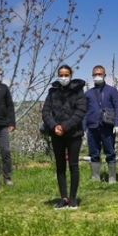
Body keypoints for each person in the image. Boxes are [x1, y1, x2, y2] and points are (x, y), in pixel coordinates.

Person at [42, 65, 87, 210]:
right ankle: (63, 198)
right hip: (56, 134)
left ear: (71, 75)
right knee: (60, 166)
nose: (63, 77)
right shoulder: (52, 92)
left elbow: (80, 112)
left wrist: (65, 126)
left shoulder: (78, 91)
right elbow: (46, 112)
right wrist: (55, 126)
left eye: (66, 75)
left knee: (73, 166)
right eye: (61, 75)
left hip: (74, 134)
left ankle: (73, 198)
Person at [83, 65, 118, 184]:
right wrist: (82, 128)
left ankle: (111, 177)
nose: (97, 76)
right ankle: (95, 176)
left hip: (107, 127)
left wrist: (117, 124)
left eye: (99, 74)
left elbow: (117, 107)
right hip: (92, 127)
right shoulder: (88, 93)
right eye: (95, 74)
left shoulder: (112, 90)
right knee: (94, 153)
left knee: (110, 152)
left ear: (105, 75)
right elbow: (84, 111)